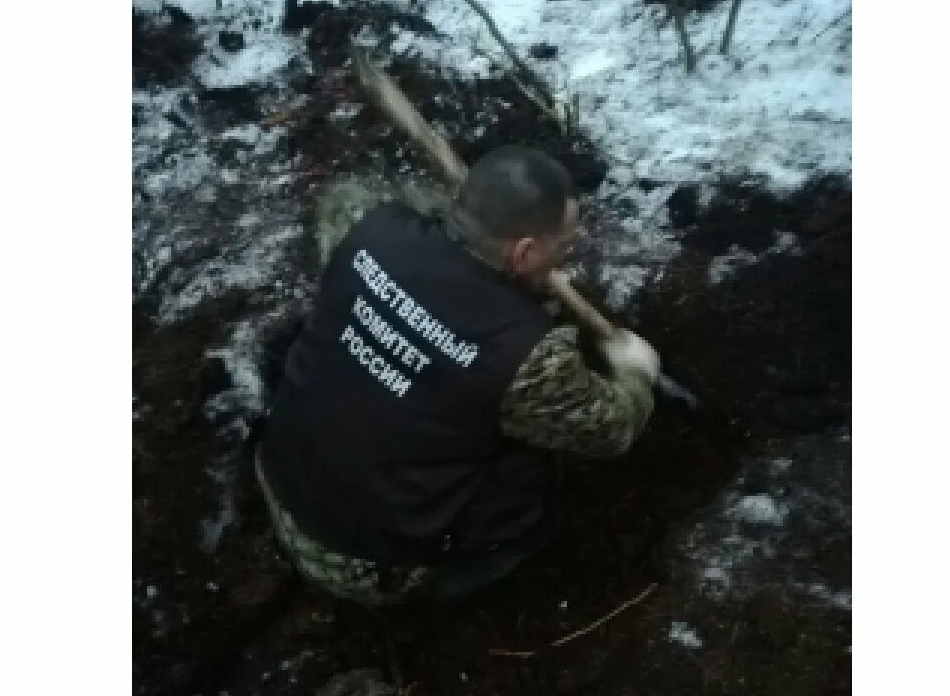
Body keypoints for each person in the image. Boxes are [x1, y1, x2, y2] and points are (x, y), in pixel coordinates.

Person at [256, 146, 660, 606]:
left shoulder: (367, 225)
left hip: (279, 480)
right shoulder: (526, 354)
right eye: (563, 247)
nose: (563, 263)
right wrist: (634, 375)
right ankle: (462, 576)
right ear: (525, 251)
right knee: (530, 470)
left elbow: (348, 193)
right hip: (363, 564)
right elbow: (611, 430)